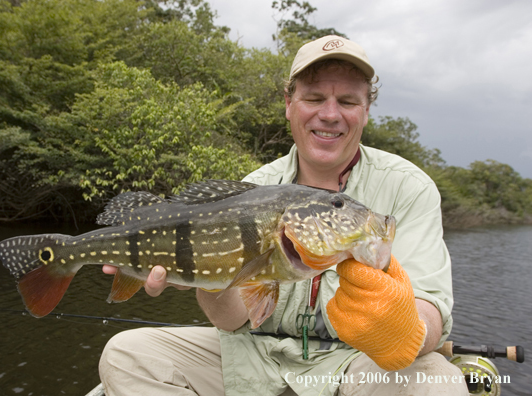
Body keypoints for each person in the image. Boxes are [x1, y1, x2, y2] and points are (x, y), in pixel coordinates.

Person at [98, 35, 468, 395]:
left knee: (438, 381)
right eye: (314, 97)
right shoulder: (253, 188)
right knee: (127, 355)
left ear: (366, 110)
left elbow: (429, 311)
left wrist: (402, 329)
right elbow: (233, 320)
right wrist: (201, 278)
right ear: (289, 102)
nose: (330, 114)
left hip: (357, 363)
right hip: (255, 355)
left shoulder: (409, 187)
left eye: (347, 101)